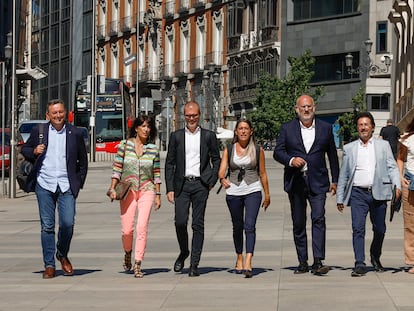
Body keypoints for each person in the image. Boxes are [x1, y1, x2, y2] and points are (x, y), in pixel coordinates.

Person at [21, 99, 88, 279]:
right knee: (47, 226)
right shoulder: (39, 131)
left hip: (66, 185)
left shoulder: (75, 133)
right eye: (54, 113)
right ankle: (49, 265)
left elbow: (83, 161)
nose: (58, 116)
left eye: (61, 112)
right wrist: (34, 151)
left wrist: (78, 182)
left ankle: (62, 253)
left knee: (68, 223)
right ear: (47, 115)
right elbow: (25, 150)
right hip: (45, 183)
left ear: (66, 112)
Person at [273, 94, 339, 275]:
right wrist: (291, 159)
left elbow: (332, 156)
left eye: (309, 106)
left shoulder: (325, 128)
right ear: (297, 109)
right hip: (296, 182)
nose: (306, 110)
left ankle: (318, 260)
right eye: (303, 107)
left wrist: (335, 180)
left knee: (318, 218)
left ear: (314, 107)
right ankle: (302, 261)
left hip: (318, 182)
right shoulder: (287, 128)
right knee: (299, 222)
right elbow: (278, 152)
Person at [337, 112, 401, 277]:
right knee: (358, 229)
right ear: (357, 128)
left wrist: (397, 186)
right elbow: (343, 174)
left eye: (366, 124)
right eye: (360, 125)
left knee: (379, 229)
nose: (363, 128)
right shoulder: (350, 148)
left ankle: (375, 255)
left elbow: (392, 167)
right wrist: (340, 197)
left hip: (379, 192)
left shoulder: (383, 146)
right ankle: (359, 263)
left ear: (372, 127)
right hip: (358, 193)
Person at [165, 101, 221, 277]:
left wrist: (211, 181)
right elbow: (170, 163)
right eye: (188, 116)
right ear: (184, 116)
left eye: (194, 115)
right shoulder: (176, 136)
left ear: (199, 115)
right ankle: (184, 251)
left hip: (200, 185)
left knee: (198, 225)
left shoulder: (208, 136)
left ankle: (194, 263)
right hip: (181, 185)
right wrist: (169, 188)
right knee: (180, 222)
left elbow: (216, 159)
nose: (191, 118)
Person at [108, 113, 161, 278]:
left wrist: (158, 194)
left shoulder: (153, 149)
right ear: (136, 128)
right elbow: (117, 168)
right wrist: (112, 188)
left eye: (148, 126)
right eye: (143, 126)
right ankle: (128, 252)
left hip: (147, 188)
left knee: (142, 226)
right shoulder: (124, 146)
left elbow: (157, 173)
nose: (146, 129)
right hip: (127, 190)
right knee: (127, 229)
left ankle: (138, 263)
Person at [218, 118, 270, 278]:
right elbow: (222, 170)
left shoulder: (258, 149)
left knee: (250, 225)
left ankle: (249, 259)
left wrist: (267, 194)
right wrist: (223, 179)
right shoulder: (229, 149)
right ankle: (239, 256)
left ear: (251, 131)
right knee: (237, 226)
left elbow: (262, 173)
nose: (243, 131)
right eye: (240, 128)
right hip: (233, 191)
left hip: (253, 189)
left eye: (246, 128)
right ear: (236, 132)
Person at [396, 118, 414, 274]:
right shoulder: (407, 138)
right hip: (411, 183)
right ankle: (413, 261)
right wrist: (400, 177)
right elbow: (400, 159)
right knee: (410, 223)